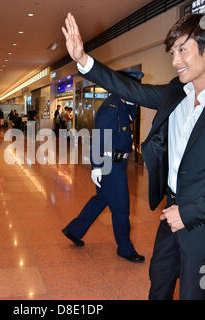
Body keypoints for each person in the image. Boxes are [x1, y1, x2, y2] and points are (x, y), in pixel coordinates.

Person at [62, 12, 205, 300]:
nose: (175, 60)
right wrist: (84, 60)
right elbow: (131, 89)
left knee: (197, 293)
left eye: (182, 50)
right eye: (172, 52)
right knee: (158, 285)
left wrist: (189, 213)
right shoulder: (176, 92)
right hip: (169, 216)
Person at [62, 77, 144, 262]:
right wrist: (96, 166)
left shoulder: (121, 104)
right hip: (109, 164)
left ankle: (74, 230)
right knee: (121, 207)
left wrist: (131, 102)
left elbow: (131, 118)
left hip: (118, 162)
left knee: (101, 199)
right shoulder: (110, 108)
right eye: (133, 88)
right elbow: (99, 138)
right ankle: (125, 248)